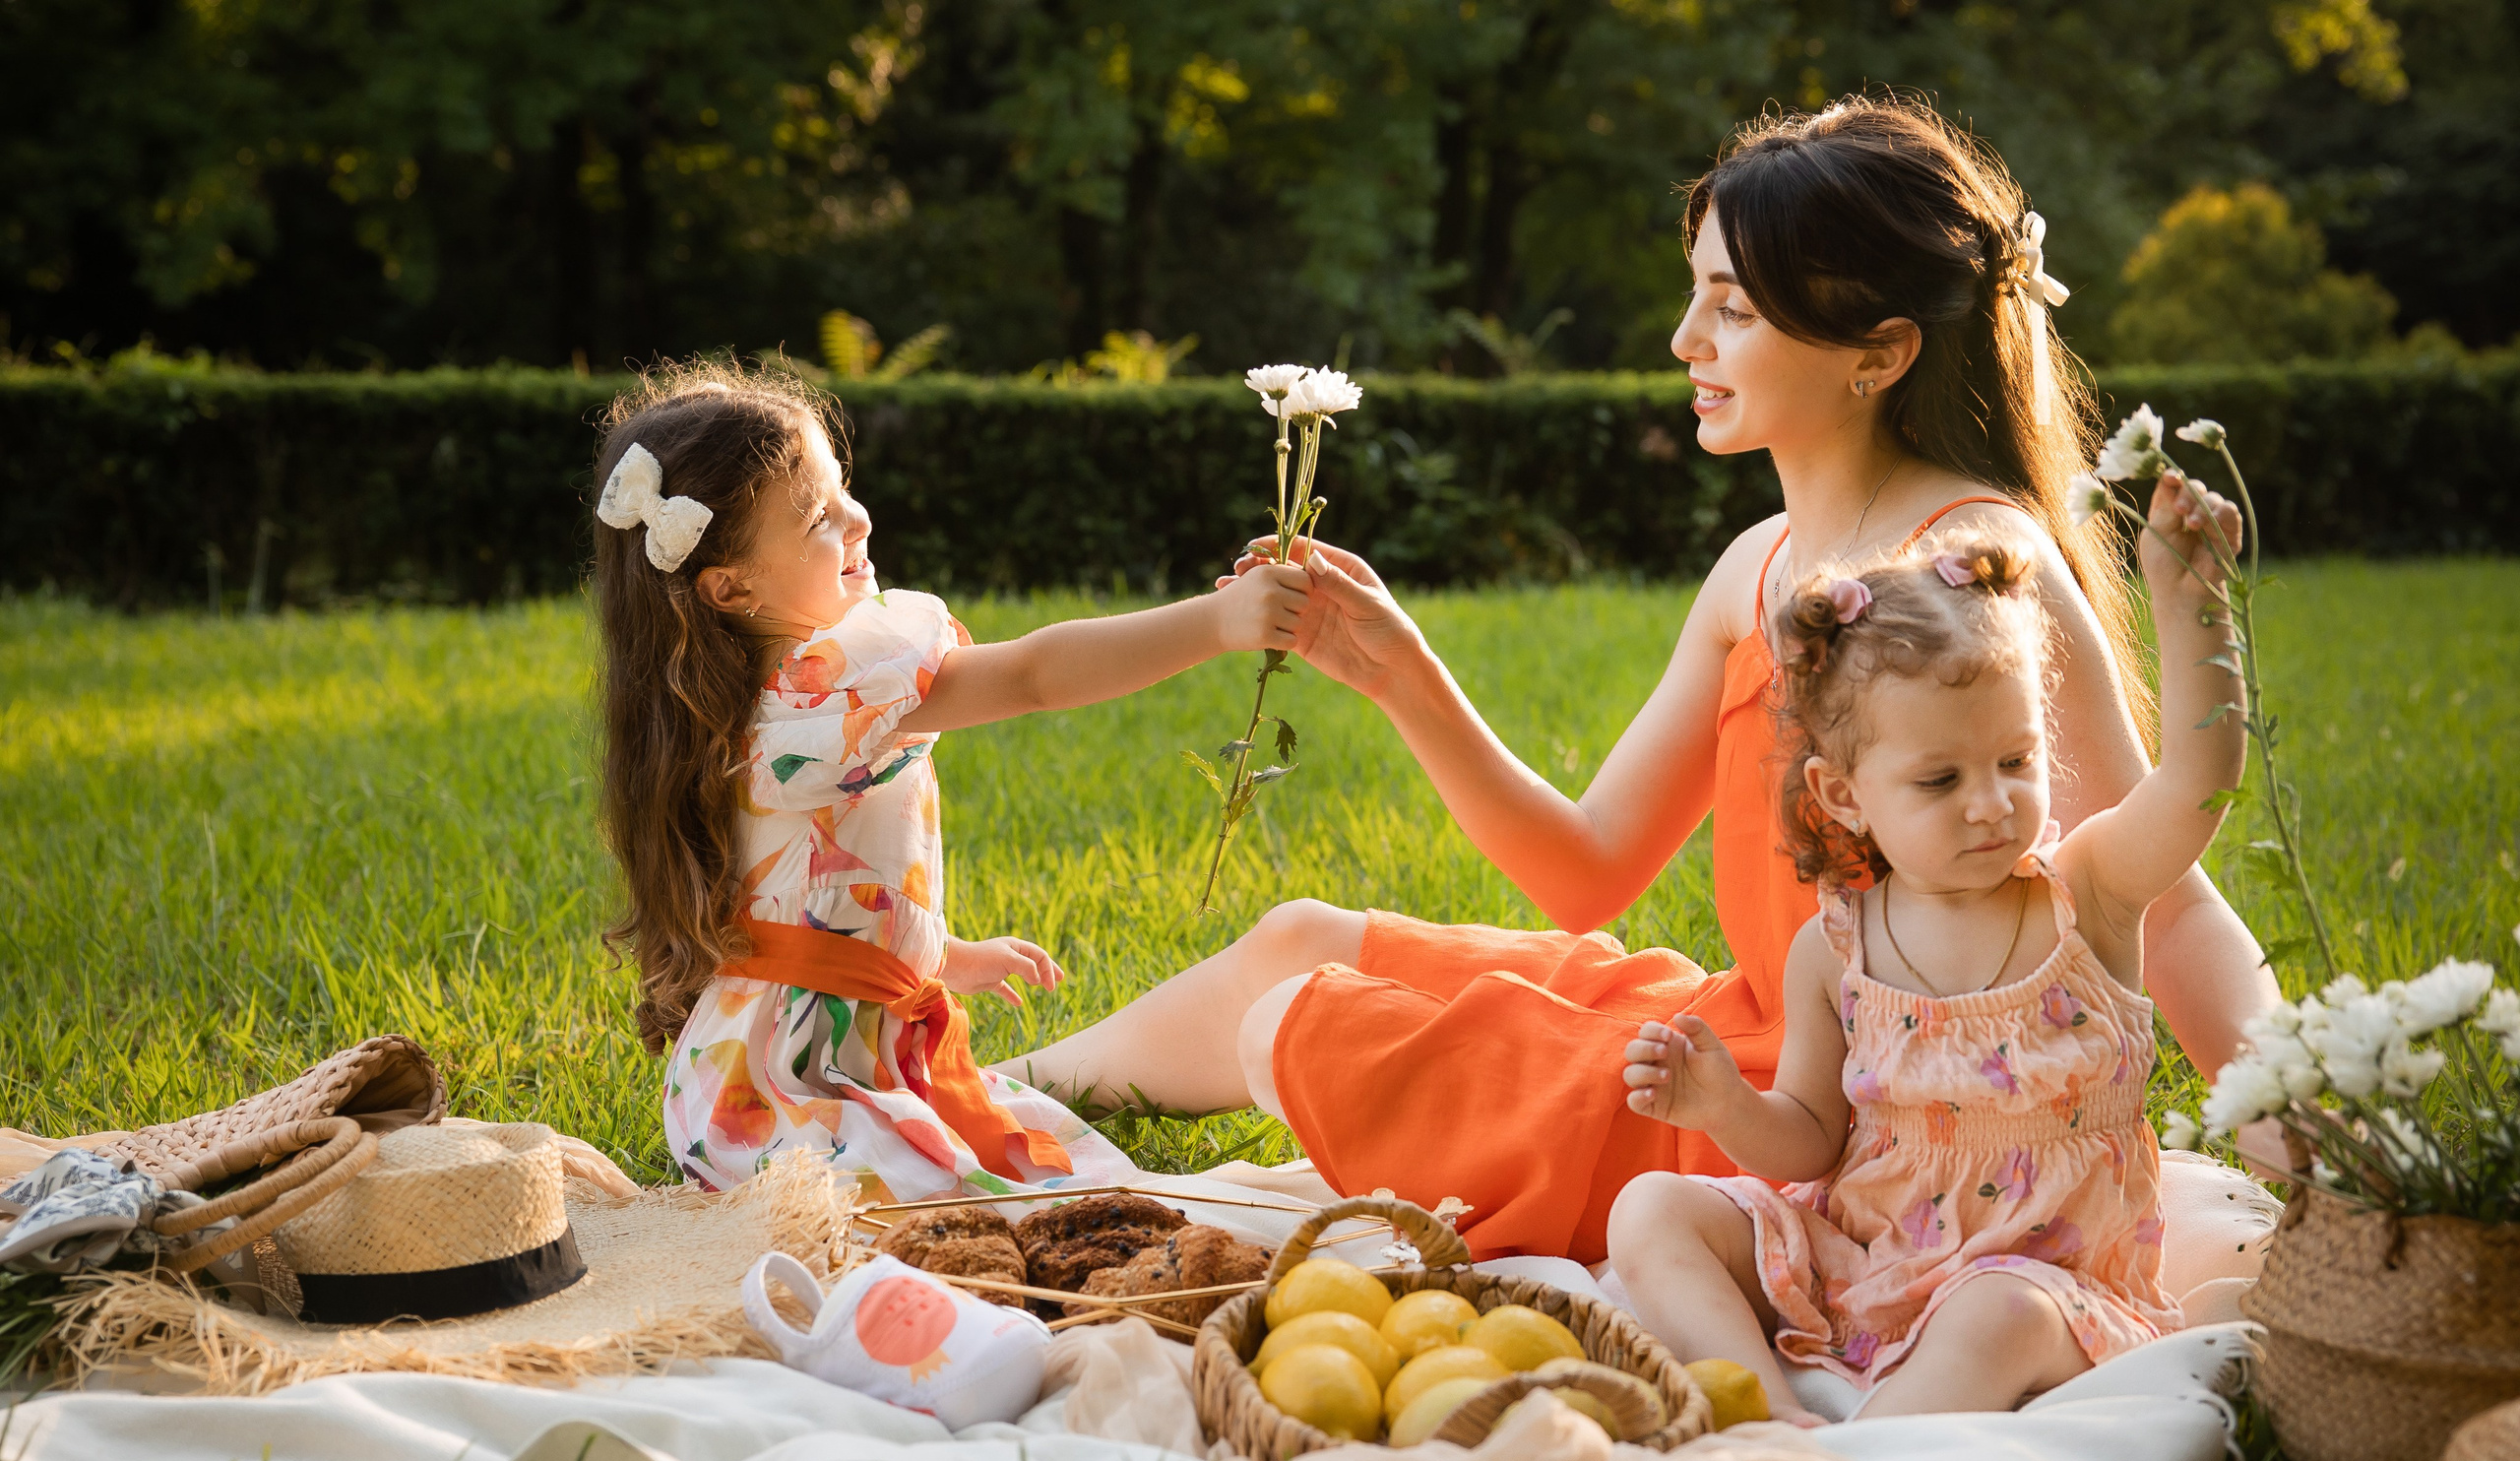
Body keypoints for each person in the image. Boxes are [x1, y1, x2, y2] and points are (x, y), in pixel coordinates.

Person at [1000, 96, 2277, 1264]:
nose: (1686, 338)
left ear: (1876, 351)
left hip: (1825, 1115)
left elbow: (2163, 899)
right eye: (1696, 294)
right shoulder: (1754, 567)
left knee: (1304, 1019)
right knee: (1297, 940)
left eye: (1732, 305)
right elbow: (1587, 867)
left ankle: (980, 1111)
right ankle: (965, 1090)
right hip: (1750, 1031)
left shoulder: (1976, 564)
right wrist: (1398, 670)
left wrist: (2305, 1132)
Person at [590, 359, 1310, 1201]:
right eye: (821, 515)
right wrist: (1216, 621)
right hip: (790, 1095)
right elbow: (1038, 674)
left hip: (771, 1063)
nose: (858, 517)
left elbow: (792, 895)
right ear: (731, 586)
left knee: (1045, 1175)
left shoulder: (723, 698)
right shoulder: (828, 696)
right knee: (1010, 1203)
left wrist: (935, 954)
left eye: (843, 486)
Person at [1610, 503, 2241, 1424]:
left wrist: (2194, 609)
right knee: (1650, 1208)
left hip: (2046, 1281)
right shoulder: (1835, 949)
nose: (1990, 804)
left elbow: (2195, 784)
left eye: (2017, 760)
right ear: (1845, 793)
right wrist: (1724, 1107)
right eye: (1941, 780)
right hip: (1867, 1263)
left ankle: (1876, 1458)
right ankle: (1766, 1414)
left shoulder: (2087, 892)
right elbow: (1813, 1138)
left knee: (1996, 1314)